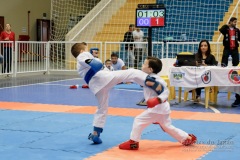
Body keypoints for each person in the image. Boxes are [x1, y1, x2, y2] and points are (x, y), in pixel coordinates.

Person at [71, 42, 163, 144]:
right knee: (132, 73)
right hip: (101, 78)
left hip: (97, 86)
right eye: (86, 49)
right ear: (82, 50)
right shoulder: (82, 55)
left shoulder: (80, 62)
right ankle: (154, 84)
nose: (88, 51)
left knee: (102, 109)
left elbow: (95, 65)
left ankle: (95, 133)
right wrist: (95, 61)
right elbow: (95, 65)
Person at [119, 57, 197, 150]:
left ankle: (133, 142)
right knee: (167, 126)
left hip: (156, 108)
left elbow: (165, 92)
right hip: (163, 108)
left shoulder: (154, 80)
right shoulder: (148, 78)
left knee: (138, 120)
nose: (142, 65)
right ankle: (186, 138)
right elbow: (138, 79)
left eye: (144, 64)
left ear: (150, 69)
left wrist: (157, 100)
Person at [219, 17, 240, 107]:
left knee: (236, 64)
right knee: (224, 59)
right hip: (227, 47)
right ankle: (223, 66)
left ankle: (236, 68)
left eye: (236, 22)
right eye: (234, 22)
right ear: (230, 22)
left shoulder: (237, 30)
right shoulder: (226, 29)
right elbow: (221, 29)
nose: (235, 23)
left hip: (235, 48)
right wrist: (228, 24)